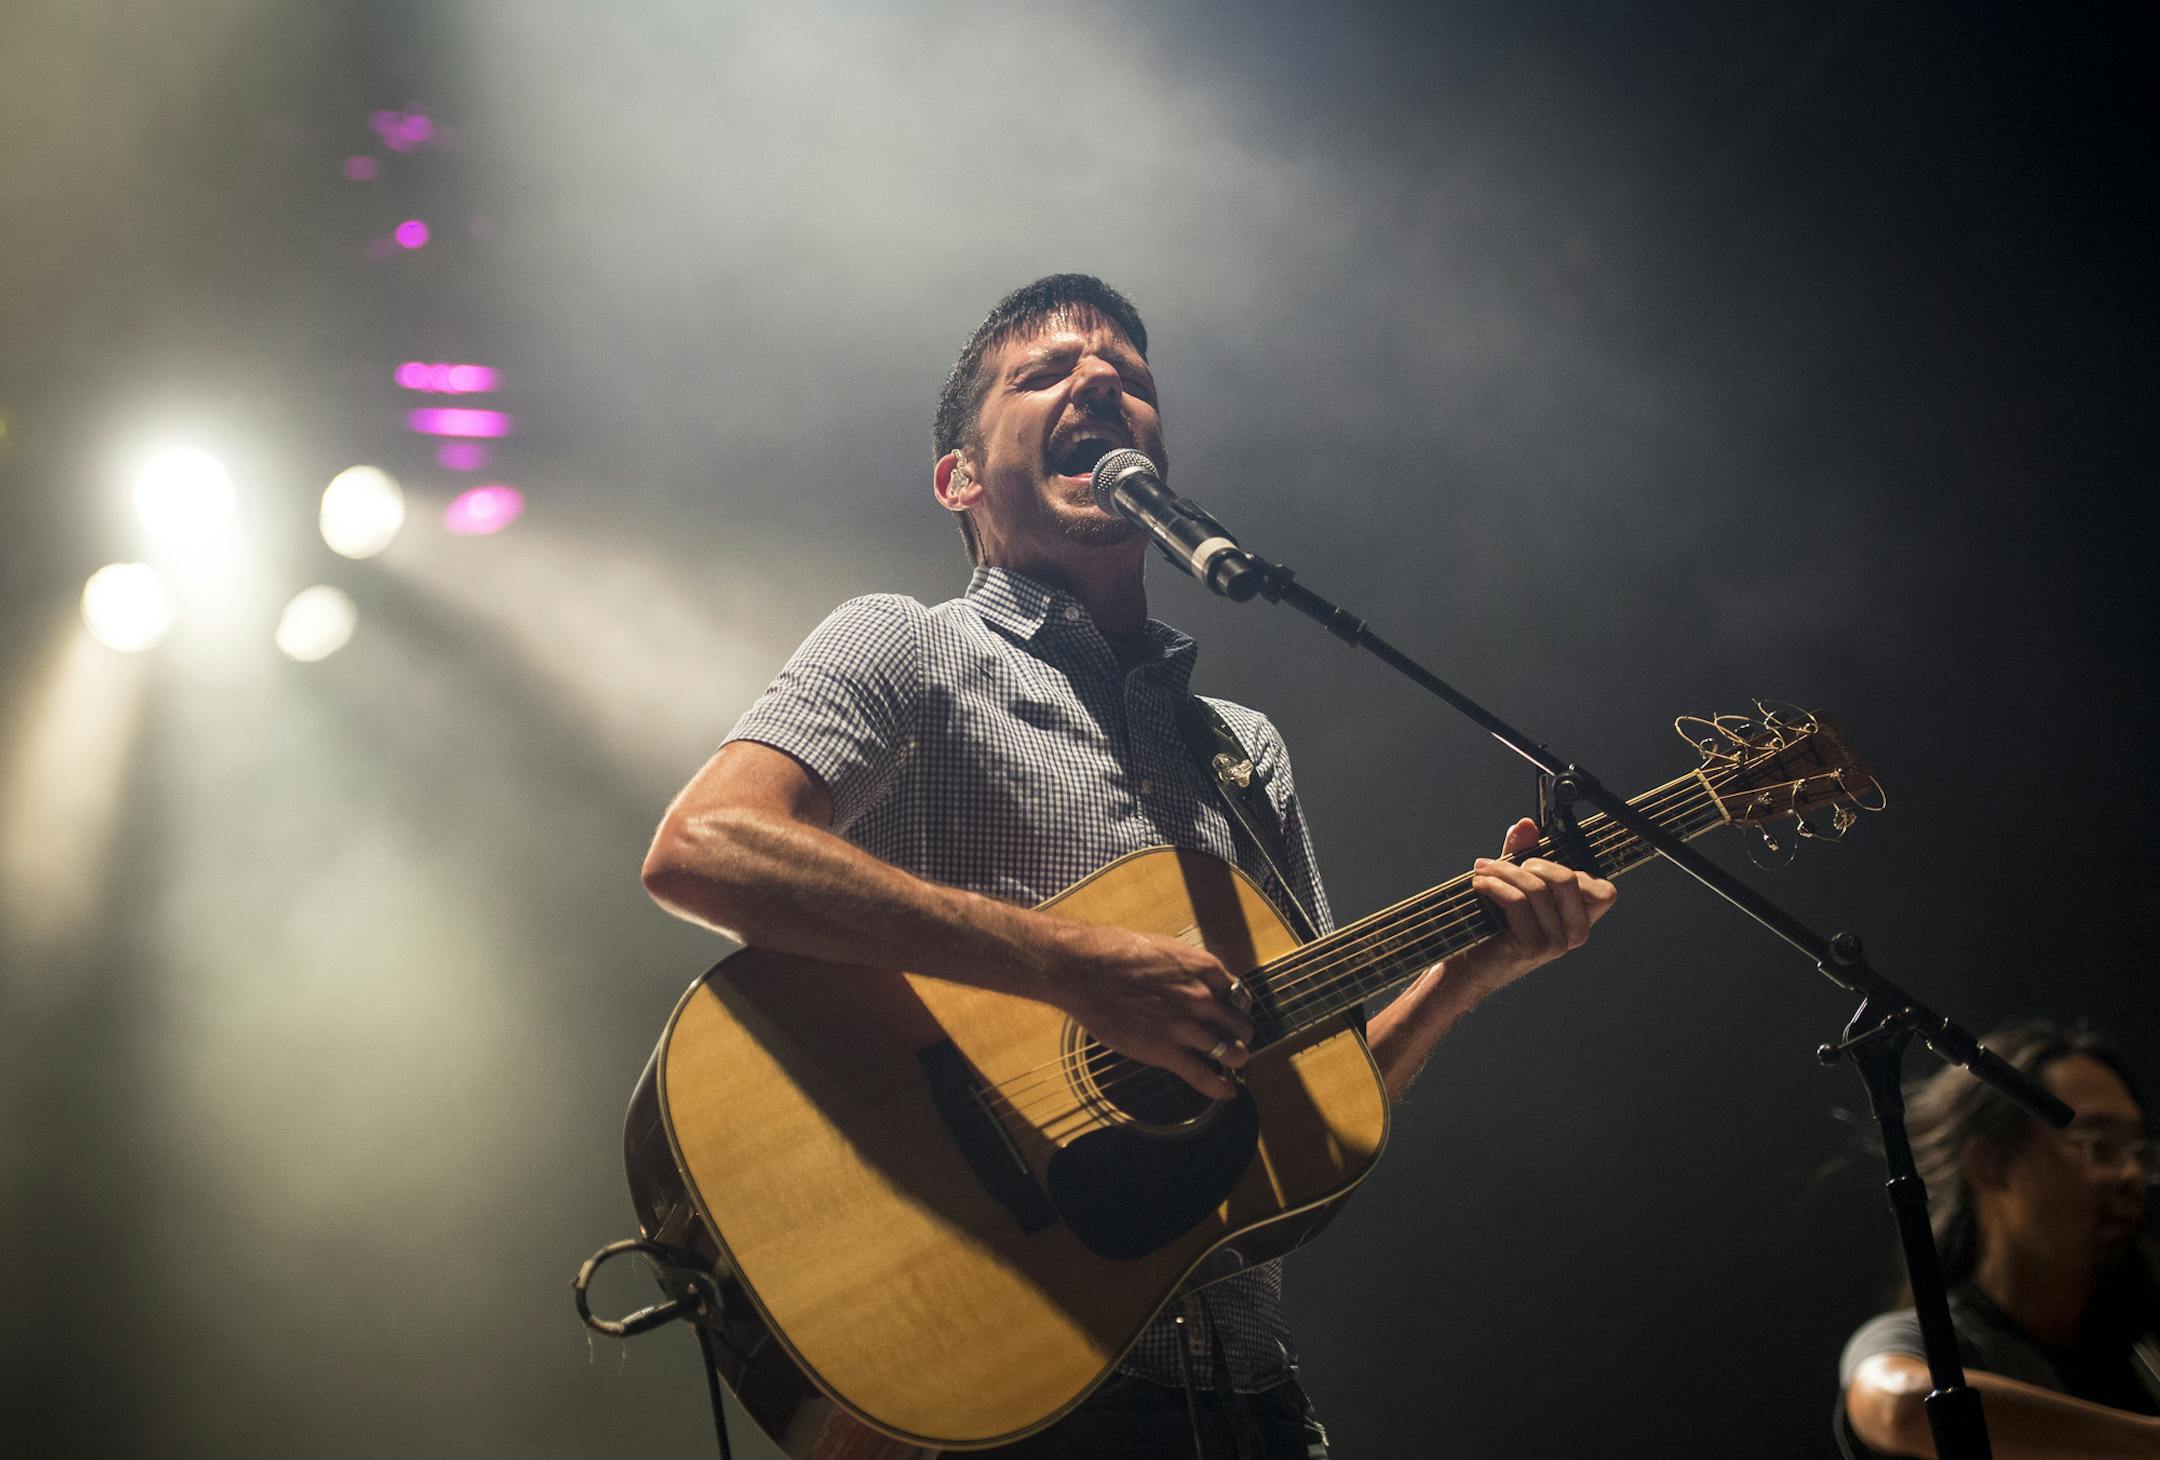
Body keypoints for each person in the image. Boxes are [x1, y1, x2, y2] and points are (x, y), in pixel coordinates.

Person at [640, 274, 1619, 1457]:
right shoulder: (908, 645)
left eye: (1130, 379)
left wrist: (1467, 972)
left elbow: (1304, 1103)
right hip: (1000, 1385)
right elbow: (706, 847)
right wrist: (1072, 967)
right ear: (959, 476)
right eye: (1044, 373)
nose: (1102, 380)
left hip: (1248, 1403)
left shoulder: (1242, 749)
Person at [1839, 1021, 2160, 1458]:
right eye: (2097, 1145)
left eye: (2138, 1152)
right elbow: (1900, 1405)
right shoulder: (1929, 1342)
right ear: (1989, 1165)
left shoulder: (2142, 1329)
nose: (2130, 1176)